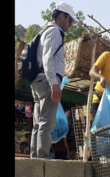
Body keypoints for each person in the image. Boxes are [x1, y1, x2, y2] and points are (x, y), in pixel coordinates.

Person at [30, 2, 77, 159]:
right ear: (62, 16)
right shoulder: (55, 32)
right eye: (70, 21)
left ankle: (36, 157)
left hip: (38, 80)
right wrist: (54, 83)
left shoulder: (45, 31)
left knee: (38, 122)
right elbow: (47, 58)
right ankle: (42, 157)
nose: (70, 25)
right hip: (47, 80)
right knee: (46, 123)